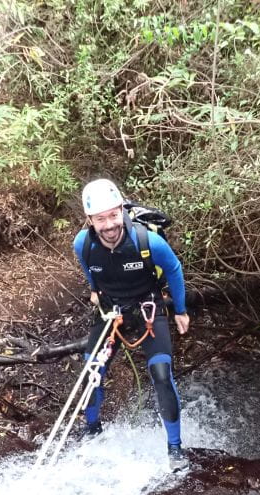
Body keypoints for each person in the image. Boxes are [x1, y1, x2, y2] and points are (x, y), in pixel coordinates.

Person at [73, 178, 191, 467]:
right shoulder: (83, 244)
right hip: (111, 311)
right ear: (90, 220)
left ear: (122, 210)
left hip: (148, 308)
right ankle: (91, 430)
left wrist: (180, 310)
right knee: (92, 372)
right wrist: (94, 291)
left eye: (114, 215)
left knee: (162, 374)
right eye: (101, 219)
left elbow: (174, 270)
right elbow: (91, 271)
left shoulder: (147, 241)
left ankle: (174, 448)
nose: (110, 224)